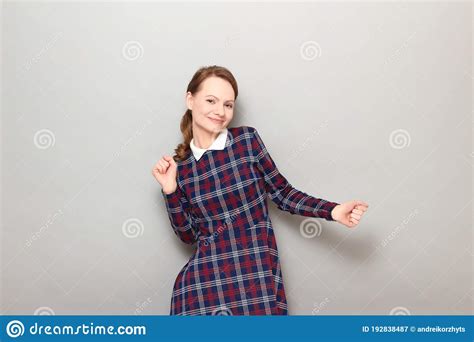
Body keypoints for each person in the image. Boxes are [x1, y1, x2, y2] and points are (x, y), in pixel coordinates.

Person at [152, 65, 369, 315]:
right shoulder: (182, 168)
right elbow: (189, 236)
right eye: (211, 100)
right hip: (204, 284)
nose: (220, 111)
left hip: (256, 273)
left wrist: (333, 211)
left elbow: (283, 194)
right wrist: (170, 190)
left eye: (228, 104)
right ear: (190, 99)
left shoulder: (246, 141)